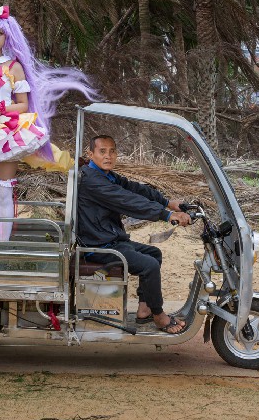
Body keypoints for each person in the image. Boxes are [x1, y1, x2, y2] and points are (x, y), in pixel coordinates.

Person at [0, 5, 95, 241]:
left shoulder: (14, 66)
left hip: (5, 133)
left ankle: (2, 247)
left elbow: (23, 105)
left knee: (4, 194)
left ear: (7, 35)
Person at [76, 134, 192, 334]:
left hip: (110, 239)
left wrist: (166, 202)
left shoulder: (107, 176)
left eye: (112, 151)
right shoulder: (92, 181)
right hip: (99, 246)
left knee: (154, 253)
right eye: (102, 151)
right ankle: (159, 316)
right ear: (90, 154)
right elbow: (127, 200)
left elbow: (133, 189)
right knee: (149, 265)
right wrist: (166, 215)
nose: (108, 156)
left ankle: (144, 309)